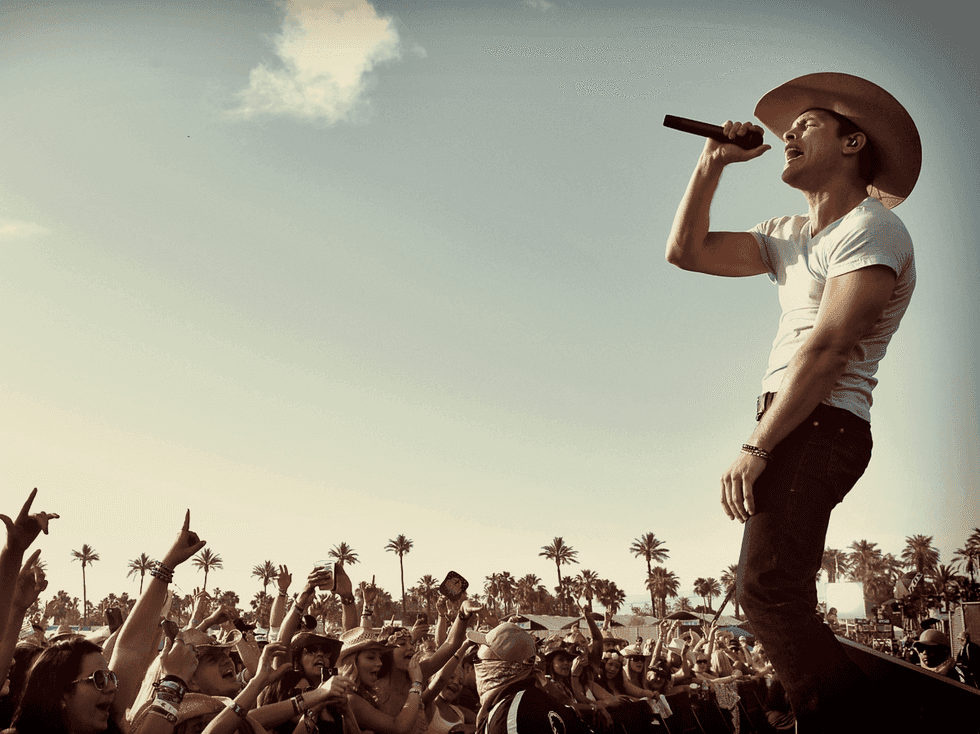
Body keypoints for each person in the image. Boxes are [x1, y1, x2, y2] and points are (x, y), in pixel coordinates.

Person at [665, 71, 921, 733]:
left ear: (853, 142)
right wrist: (712, 162)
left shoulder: (874, 228)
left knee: (767, 592)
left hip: (821, 422)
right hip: (796, 421)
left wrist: (756, 445)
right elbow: (686, 252)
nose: (787, 135)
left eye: (807, 124)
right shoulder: (789, 234)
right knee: (774, 593)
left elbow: (828, 349)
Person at [466, 623, 587, 734]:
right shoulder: (534, 697)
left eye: (481, 661)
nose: (478, 667)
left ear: (502, 667)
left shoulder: (510, 716)